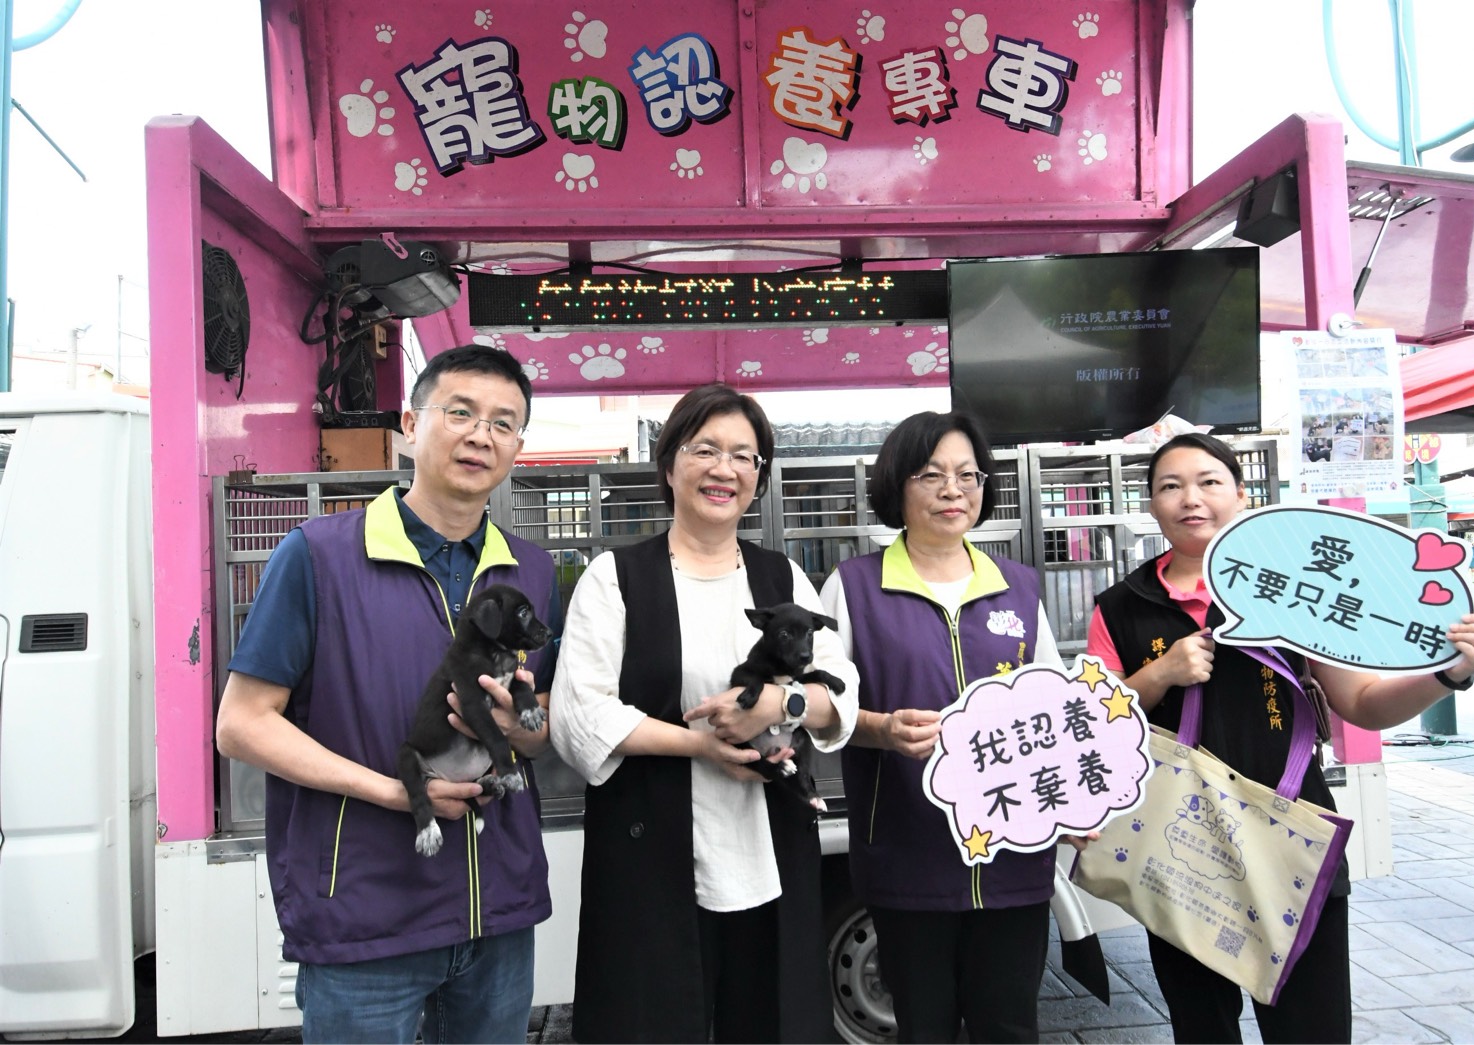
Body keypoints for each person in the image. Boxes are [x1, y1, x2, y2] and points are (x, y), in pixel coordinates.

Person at [1085, 432, 1474, 1044]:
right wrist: (1160, 673)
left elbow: (1363, 703)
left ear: (1241, 494)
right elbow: (1095, 720)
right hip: (1178, 847)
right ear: (1151, 504)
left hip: (1292, 837)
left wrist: (1448, 673)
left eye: (1209, 482)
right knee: (1202, 1028)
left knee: (1312, 1028)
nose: (1190, 499)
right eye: (1170, 487)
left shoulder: (1294, 587)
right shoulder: (1121, 606)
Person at [215, 345, 562, 1043]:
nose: (479, 435)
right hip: (365, 918)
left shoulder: (531, 568)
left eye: (503, 423)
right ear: (411, 422)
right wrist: (397, 791)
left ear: (518, 445)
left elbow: (540, 721)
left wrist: (520, 728)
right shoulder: (318, 555)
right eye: (459, 412)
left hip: (498, 912)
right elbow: (243, 724)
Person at [549, 382, 859, 1043]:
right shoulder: (617, 577)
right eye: (706, 449)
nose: (725, 469)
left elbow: (842, 695)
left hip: (768, 852)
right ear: (669, 464)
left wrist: (783, 701)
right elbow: (580, 714)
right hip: (651, 854)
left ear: (758, 478)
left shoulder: (783, 580)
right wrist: (704, 745)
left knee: (772, 1020)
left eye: (744, 457)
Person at [819, 411, 1067, 1043]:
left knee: (1009, 1026)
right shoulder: (853, 588)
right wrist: (878, 727)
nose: (953, 490)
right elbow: (820, 707)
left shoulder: (1018, 588)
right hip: (908, 855)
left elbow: (1058, 711)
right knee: (923, 1027)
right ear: (897, 486)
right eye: (931, 475)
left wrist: (1077, 808)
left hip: (1016, 858)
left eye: (967, 474)